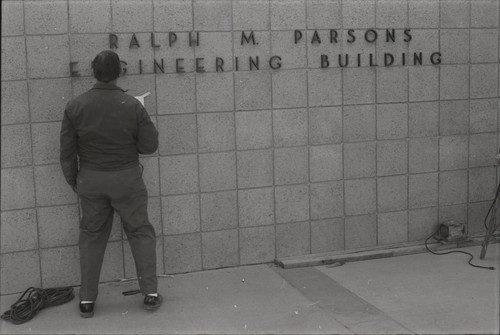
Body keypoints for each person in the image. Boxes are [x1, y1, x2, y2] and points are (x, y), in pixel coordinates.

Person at [60, 50, 161, 318]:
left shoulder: (75, 106)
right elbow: (149, 146)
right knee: (140, 231)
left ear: (93, 71)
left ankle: (87, 301)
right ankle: (150, 294)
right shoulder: (132, 105)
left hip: (91, 180)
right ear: (120, 72)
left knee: (91, 237)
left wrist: (76, 181)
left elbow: (67, 153)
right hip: (127, 179)